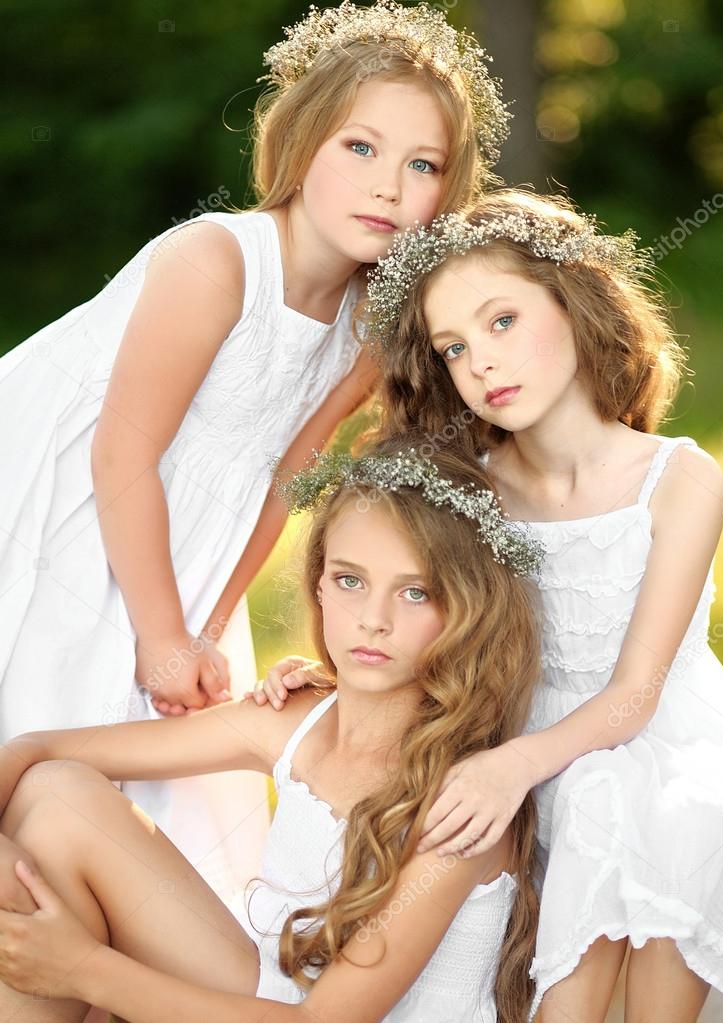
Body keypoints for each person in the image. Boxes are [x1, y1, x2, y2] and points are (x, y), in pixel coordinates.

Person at [0, 0, 509, 906]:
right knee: (44, 718)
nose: (387, 186)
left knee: (155, 795)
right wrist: (159, 634)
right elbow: (120, 453)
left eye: (420, 165)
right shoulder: (218, 260)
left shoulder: (366, 326)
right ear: (301, 143)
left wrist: (203, 624)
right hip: (64, 516)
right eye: (359, 148)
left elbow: (286, 478)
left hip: (185, 552)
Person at [0, 437, 543, 1023]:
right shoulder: (296, 716)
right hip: (269, 997)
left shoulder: (465, 804)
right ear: (318, 584)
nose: (373, 621)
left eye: (415, 593)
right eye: (350, 580)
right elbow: (41, 749)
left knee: (47, 851)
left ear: (466, 609)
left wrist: (82, 969)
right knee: (53, 794)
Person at [357, 189, 723, 1021]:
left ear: (574, 301)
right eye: (453, 347)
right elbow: (417, 617)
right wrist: (344, 665)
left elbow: (636, 695)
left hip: (653, 740)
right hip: (519, 742)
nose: (481, 362)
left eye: (501, 321)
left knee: (643, 803)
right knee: (592, 800)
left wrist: (516, 764)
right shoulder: (471, 491)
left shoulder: (678, 480)